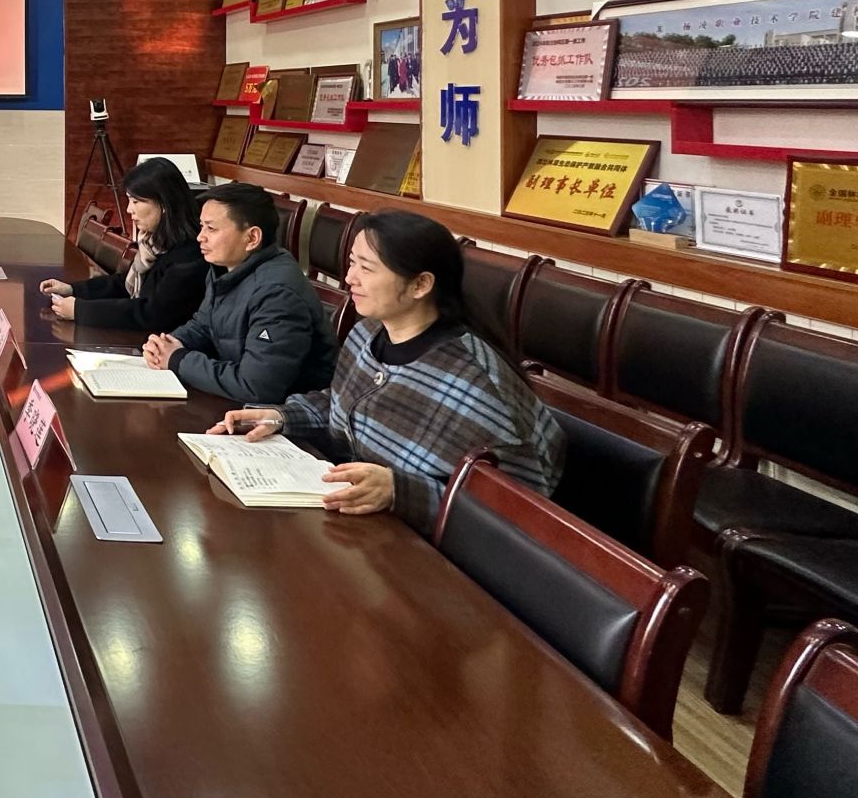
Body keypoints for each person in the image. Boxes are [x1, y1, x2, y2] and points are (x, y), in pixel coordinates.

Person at [209, 210, 565, 534]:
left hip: (432, 556)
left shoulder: (475, 385)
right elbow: (342, 402)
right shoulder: (366, 333)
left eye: (366, 268)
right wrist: (280, 416)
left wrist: (400, 492)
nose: (349, 278)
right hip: (363, 526)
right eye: (351, 262)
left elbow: (518, 513)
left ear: (420, 285)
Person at [142, 182, 336, 401]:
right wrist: (167, 345)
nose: (200, 237)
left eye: (211, 229)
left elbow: (257, 386)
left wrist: (178, 359)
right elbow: (203, 325)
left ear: (252, 238)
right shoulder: (225, 268)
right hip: (235, 400)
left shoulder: (278, 294)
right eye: (202, 226)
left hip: (281, 414)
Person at [39, 157, 207, 334]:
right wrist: (72, 289)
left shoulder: (190, 255)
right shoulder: (154, 242)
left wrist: (80, 310)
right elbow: (124, 284)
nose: (128, 209)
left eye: (136, 201)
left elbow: (152, 314)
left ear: (164, 203)